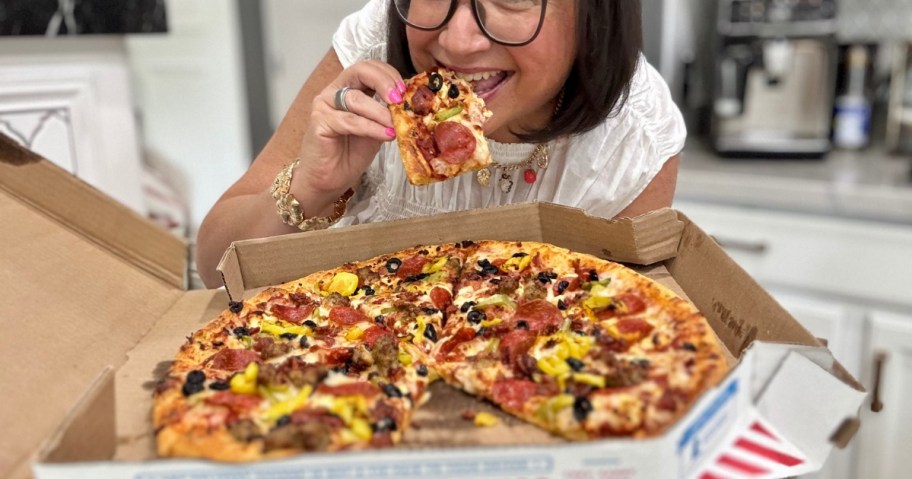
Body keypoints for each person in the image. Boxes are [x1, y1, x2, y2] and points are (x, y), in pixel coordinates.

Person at [196, 0, 685, 288]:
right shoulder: (371, 52)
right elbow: (214, 270)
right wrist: (312, 187)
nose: (457, 41)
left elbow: (612, 336)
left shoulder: (637, 138)